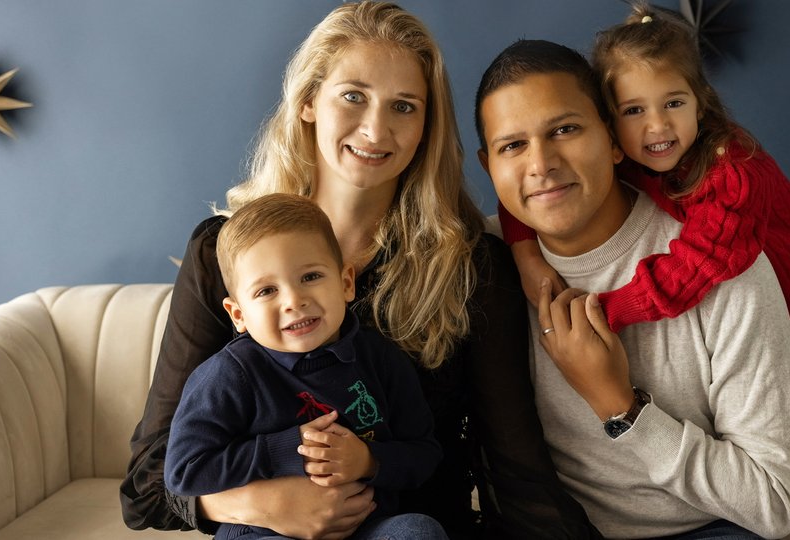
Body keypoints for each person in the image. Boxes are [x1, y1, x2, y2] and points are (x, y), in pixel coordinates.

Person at [121, 3, 597, 539]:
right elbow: (147, 488)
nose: (375, 128)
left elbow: (515, 467)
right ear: (307, 103)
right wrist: (260, 505)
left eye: (403, 106)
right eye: (353, 96)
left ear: (425, 128)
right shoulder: (223, 255)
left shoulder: (471, 267)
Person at [496, 6, 790, 538]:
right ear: (615, 127)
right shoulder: (623, 160)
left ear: (700, 103)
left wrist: (604, 314)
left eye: (674, 104)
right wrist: (524, 254)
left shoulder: (733, 179)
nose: (656, 125)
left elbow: (694, 268)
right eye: (634, 110)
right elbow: (526, 185)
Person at [476, 39, 790, 540]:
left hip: (707, 529)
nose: (540, 164)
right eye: (512, 146)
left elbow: (774, 502)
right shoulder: (482, 267)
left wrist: (620, 408)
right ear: (489, 167)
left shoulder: (719, 262)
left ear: (613, 140)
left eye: (564, 130)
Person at [163, 193, 445, 540]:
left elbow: (424, 453)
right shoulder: (229, 375)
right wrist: (282, 450)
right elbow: (184, 472)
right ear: (238, 315)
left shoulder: (380, 358)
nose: (294, 301)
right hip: (263, 531)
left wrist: (368, 461)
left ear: (345, 283)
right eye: (267, 290)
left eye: (310, 276)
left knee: (418, 531)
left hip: (367, 528)